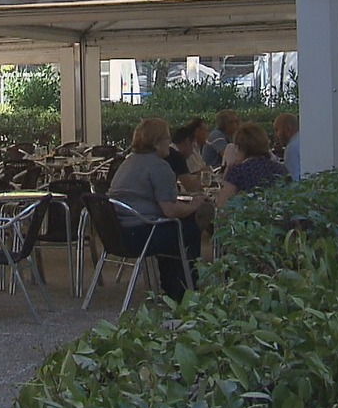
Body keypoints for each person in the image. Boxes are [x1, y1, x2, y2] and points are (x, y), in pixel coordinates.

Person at [107, 118, 207, 301]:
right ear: (156, 142)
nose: (171, 143)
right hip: (140, 234)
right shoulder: (160, 167)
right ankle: (186, 289)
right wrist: (194, 205)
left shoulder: (127, 163)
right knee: (189, 229)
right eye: (167, 138)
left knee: (174, 229)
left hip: (116, 233)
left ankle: (171, 287)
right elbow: (170, 210)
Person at [216, 123, 290, 208]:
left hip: (247, 219)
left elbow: (222, 207)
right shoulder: (281, 169)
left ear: (240, 147)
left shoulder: (237, 172)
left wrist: (226, 174)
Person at [165, 125, 202, 194]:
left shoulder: (170, 152)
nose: (192, 152)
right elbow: (191, 188)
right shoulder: (176, 156)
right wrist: (202, 175)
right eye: (193, 146)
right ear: (187, 141)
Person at [273, 112, 301, 181]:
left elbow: (293, 180)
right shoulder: (304, 141)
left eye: (277, 130)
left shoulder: (291, 148)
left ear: (288, 129)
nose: (275, 135)